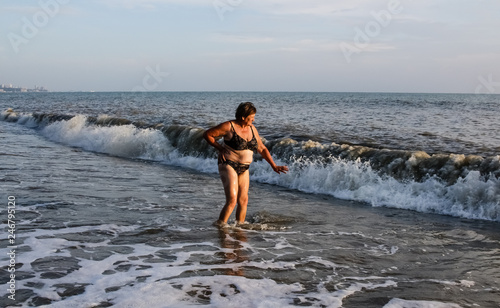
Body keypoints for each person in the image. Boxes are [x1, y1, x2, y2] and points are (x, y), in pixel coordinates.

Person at [203, 102, 288, 227]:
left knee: (243, 200)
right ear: (243, 117)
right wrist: (220, 149)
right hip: (228, 164)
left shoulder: (252, 129)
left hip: (244, 168)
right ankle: (220, 227)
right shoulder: (228, 126)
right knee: (232, 200)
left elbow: (262, 148)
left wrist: (273, 165)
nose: (254, 119)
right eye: (252, 116)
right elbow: (208, 134)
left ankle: (239, 228)